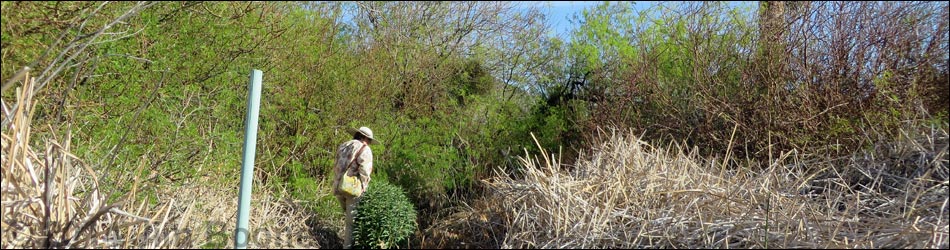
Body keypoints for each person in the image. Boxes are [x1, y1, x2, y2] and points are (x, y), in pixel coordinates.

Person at [332, 126, 377, 249]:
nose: (369, 143)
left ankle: (345, 242)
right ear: (365, 138)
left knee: (347, 218)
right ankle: (347, 247)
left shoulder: (343, 146)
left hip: (338, 186)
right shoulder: (365, 149)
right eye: (369, 140)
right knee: (352, 222)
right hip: (352, 188)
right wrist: (364, 188)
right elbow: (365, 172)